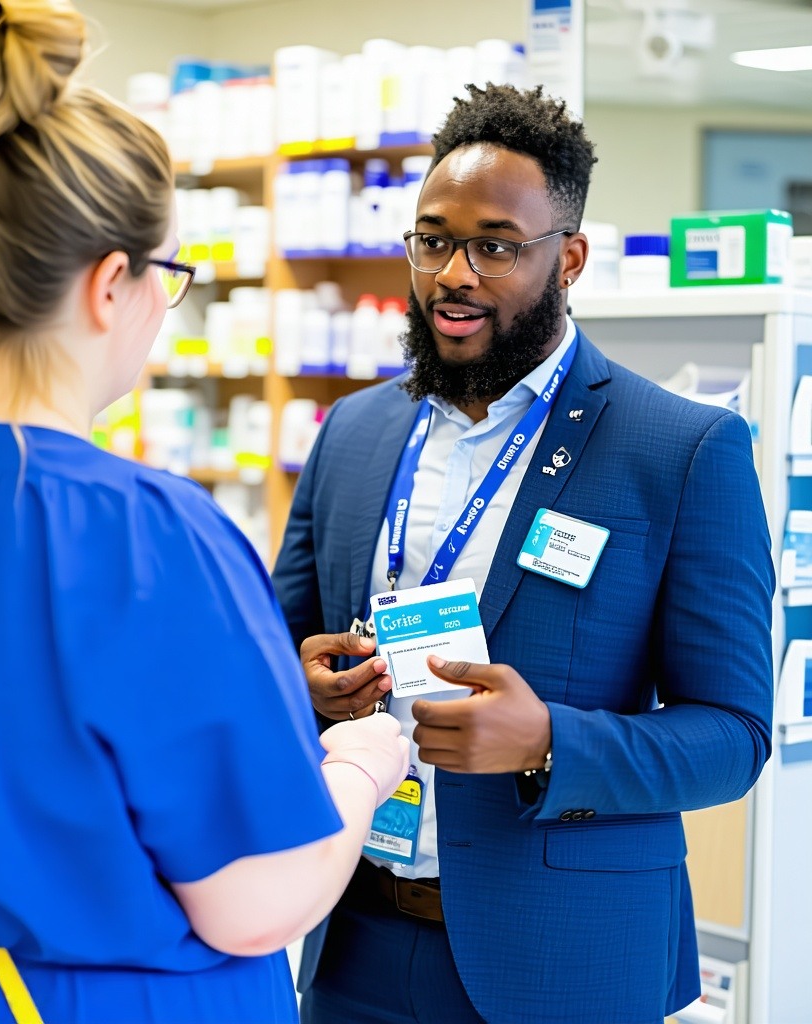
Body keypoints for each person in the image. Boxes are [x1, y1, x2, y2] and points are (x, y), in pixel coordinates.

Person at [0, 2, 410, 1021]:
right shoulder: (144, 533)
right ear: (109, 283)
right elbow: (254, 901)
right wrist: (357, 767)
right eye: (170, 279)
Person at [271, 83, 774, 1024]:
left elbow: (735, 738)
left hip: (561, 959)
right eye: (432, 240)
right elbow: (272, 643)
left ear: (569, 258)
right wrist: (301, 686)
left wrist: (551, 742)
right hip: (351, 939)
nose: (454, 273)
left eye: (495, 246)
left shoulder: (680, 450)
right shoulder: (352, 431)